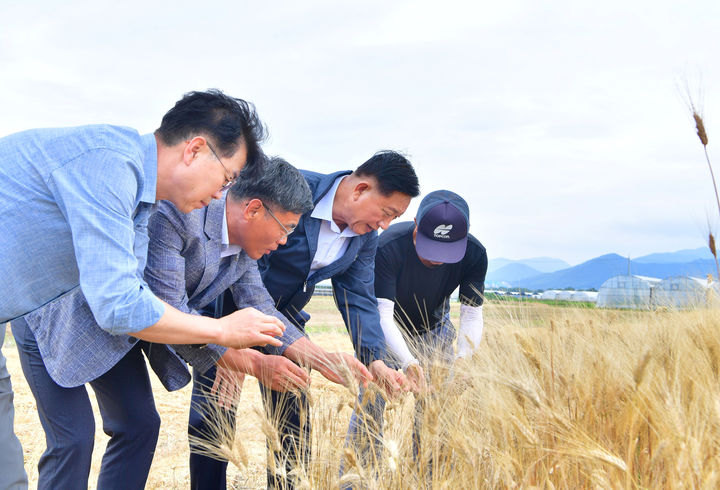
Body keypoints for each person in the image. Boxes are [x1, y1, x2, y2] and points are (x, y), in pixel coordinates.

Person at [2, 90, 286, 490]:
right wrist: (222, 332)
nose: (222, 194)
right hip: (39, 324)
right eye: (227, 178)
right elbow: (119, 307)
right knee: (53, 449)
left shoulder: (140, 202)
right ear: (195, 150)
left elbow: (132, 298)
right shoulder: (108, 164)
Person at [141, 156, 372, 489]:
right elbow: (169, 308)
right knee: (160, 423)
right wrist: (243, 359)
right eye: (287, 229)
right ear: (252, 210)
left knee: (137, 424)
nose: (283, 242)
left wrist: (323, 360)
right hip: (127, 325)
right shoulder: (180, 215)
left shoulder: (245, 250)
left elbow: (261, 305)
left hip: (193, 329)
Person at [215, 150, 420, 489]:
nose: (385, 225)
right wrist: (229, 347)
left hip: (288, 323)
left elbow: (359, 297)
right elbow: (238, 261)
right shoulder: (293, 192)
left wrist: (376, 361)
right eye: (387, 213)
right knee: (215, 416)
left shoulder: (364, 236)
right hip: (231, 310)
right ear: (360, 190)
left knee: (293, 420)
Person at [345, 189, 488, 467]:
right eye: (430, 246)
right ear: (415, 225)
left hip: (435, 327)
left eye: (446, 251)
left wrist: (462, 361)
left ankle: (428, 478)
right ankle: (356, 481)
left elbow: (471, 315)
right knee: (371, 400)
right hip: (388, 326)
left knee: (436, 408)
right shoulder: (388, 246)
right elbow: (383, 314)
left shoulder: (474, 254)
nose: (437, 259)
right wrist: (409, 362)